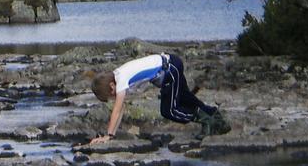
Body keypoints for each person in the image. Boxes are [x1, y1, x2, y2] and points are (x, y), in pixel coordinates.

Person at [87, 52, 229, 144]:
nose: (113, 97)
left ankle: (207, 121)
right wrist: (112, 135)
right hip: (172, 62)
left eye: (110, 95)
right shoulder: (118, 75)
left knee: (169, 111)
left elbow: (117, 110)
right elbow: (122, 108)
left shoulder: (121, 79)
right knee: (186, 98)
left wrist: (108, 135)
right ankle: (215, 116)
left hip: (169, 70)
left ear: (112, 86)